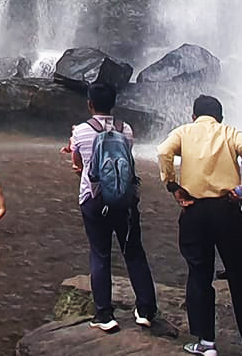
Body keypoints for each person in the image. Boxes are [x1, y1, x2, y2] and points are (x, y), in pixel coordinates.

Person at [158, 94, 242, 356]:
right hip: (227, 210)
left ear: (194, 116)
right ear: (220, 117)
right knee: (240, 276)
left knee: (199, 274)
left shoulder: (184, 132)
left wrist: (173, 186)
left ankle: (206, 343)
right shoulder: (229, 132)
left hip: (194, 210)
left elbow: (163, 151)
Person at [68, 81, 157, 333]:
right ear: (114, 103)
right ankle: (146, 310)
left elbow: (78, 164)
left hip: (93, 199)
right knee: (134, 252)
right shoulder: (125, 130)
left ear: (89, 104)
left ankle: (104, 314)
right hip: (125, 201)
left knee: (100, 253)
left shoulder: (81, 131)